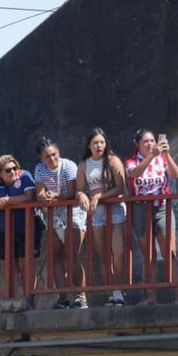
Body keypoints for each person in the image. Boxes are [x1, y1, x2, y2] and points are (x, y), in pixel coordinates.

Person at [125, 129, 178, 305]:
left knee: (169, 253)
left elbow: (175, 174)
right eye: (145, 142)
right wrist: (151, 157)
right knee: (148, 255)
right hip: (141, 209)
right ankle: (151, 297)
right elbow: (134, 174)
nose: (150, 144)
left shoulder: (162, 158)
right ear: (138, 145)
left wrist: (167, 154)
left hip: (162, 207)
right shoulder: (131, 161)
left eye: (152, 141)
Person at [73, 129, 128, 307]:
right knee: (103, 255)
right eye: (95, 142)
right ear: (89, 145)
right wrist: (82, 195)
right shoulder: (84, 165)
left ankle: (118, 288)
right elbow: (80, 189)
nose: (99, 146)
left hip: (115, 209)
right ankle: (113, 293)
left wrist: (98, 196)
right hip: (96, 213)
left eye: (102, 142)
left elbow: (121, 188)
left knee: (118, 252)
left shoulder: (112, 160)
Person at [0, 154, 38, 305]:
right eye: (8, 170)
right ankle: (12, 300)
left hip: (26, 228)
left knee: (25, 264)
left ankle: (29, 300)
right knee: (9, 266)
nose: (13, 172)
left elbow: (29, 196)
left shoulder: (24, 176)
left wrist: (7, 201)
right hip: (4, 231)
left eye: (15, 168)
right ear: (0, 173)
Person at [33, 137, 81, 308]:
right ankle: (63, 297)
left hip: (72, 211)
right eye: (47, 156)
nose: (52, 159)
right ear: (42, 158)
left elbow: (72, 192)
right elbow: (39, 192)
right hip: (54, 214)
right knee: (55, 255)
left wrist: (55, 196)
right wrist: (44, 196)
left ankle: (80, 296)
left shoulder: (69, 166)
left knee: (72, 254)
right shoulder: (39, 169)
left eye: (54, 155)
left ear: (59, 153)